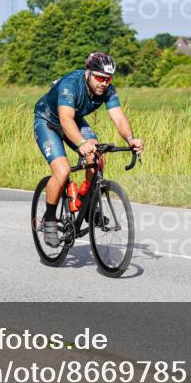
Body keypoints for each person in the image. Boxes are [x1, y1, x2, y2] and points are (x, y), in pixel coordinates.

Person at [33, 52, 143, 247]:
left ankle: (87, 203)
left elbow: (118, 117)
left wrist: (130, 139)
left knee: (98, 158)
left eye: (108, 79)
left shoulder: (107, 89)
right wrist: (81, 143)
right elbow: (65, 120)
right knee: (62, 171)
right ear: (88, 73)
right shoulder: (70, 84)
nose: (104, 83)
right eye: (99, 78)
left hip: (74, 119)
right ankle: (49, 218)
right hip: (48, 121)